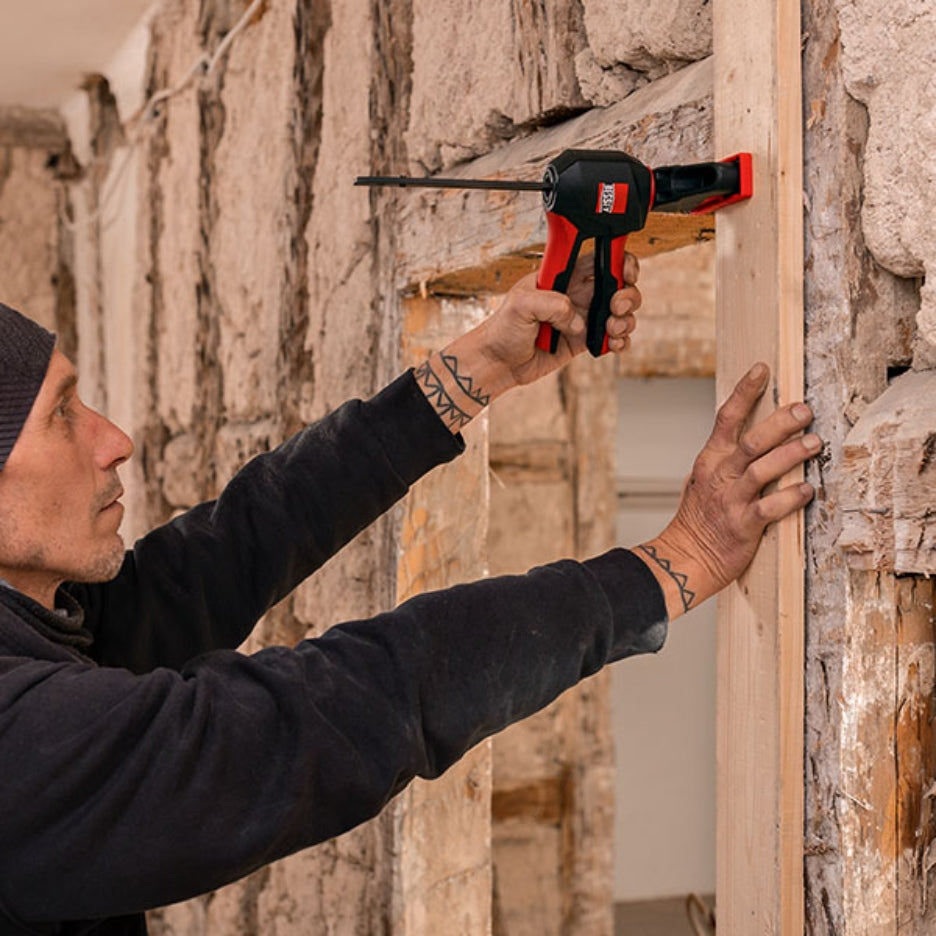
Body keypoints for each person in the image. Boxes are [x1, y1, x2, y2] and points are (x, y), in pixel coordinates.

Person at [0, 255, 820, 935]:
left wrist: (475, 372)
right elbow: (352, 701)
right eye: (62, 414)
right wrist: (674, 562)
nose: (116, 439)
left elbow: (227, 551)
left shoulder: (37, 621)